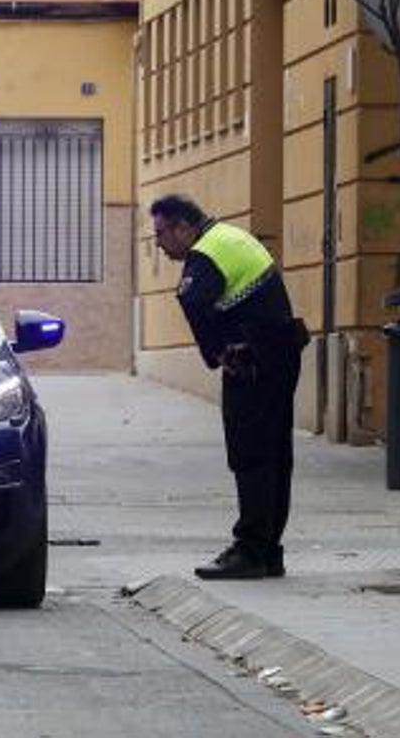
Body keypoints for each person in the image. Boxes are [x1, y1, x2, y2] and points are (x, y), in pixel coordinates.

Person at [150, 194, 308, 579]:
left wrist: (218, 352)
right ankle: (269, 549)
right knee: (275, 454)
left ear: (183, 228)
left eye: (160, 233)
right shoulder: (231, 236)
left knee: (250, 454)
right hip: (281, 351)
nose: (158, 243)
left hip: (252, 359)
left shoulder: (204, 254)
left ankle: (250, 551)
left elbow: (191, 299)